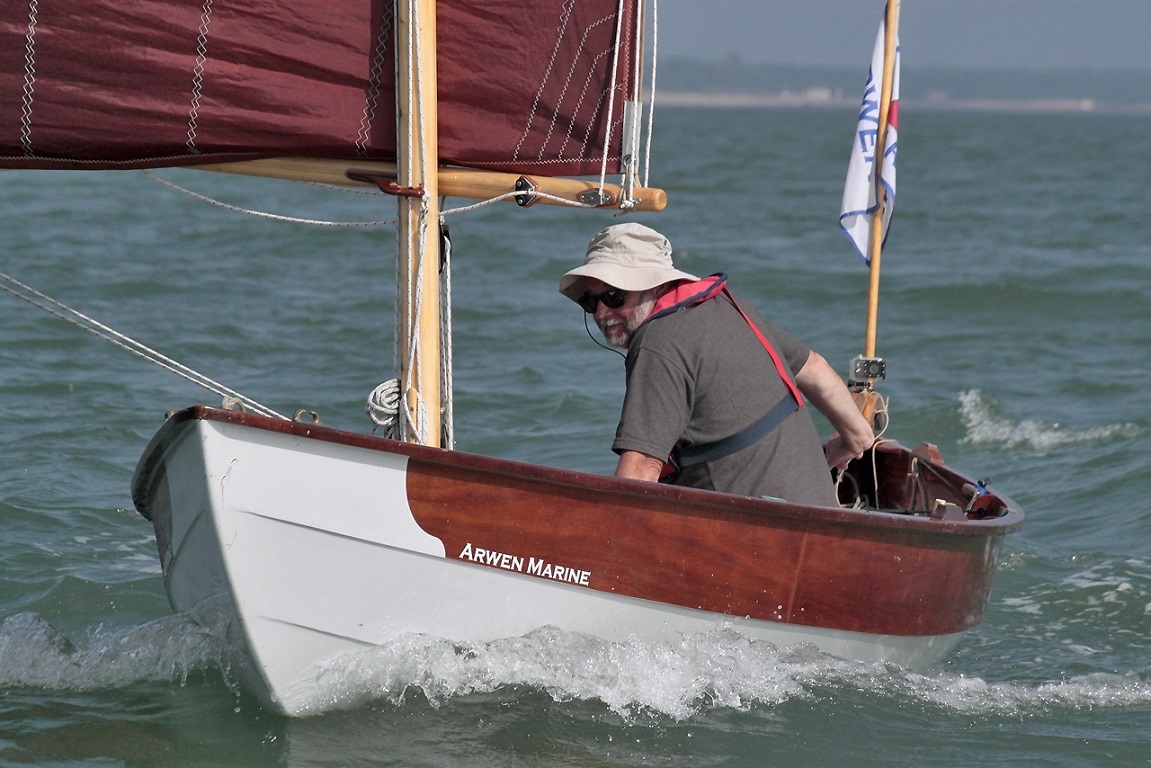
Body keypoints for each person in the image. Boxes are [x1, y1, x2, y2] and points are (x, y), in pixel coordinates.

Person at [559, 222, 875, 507]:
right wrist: (856, 438)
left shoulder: (658, 343)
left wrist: (602, 543)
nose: (601, 313)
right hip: (817, 514)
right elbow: (815, 369)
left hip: (754, 535)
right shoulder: (727, 306)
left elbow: (641, 468)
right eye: (590, 301)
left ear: (654, 286)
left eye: (615, 296)